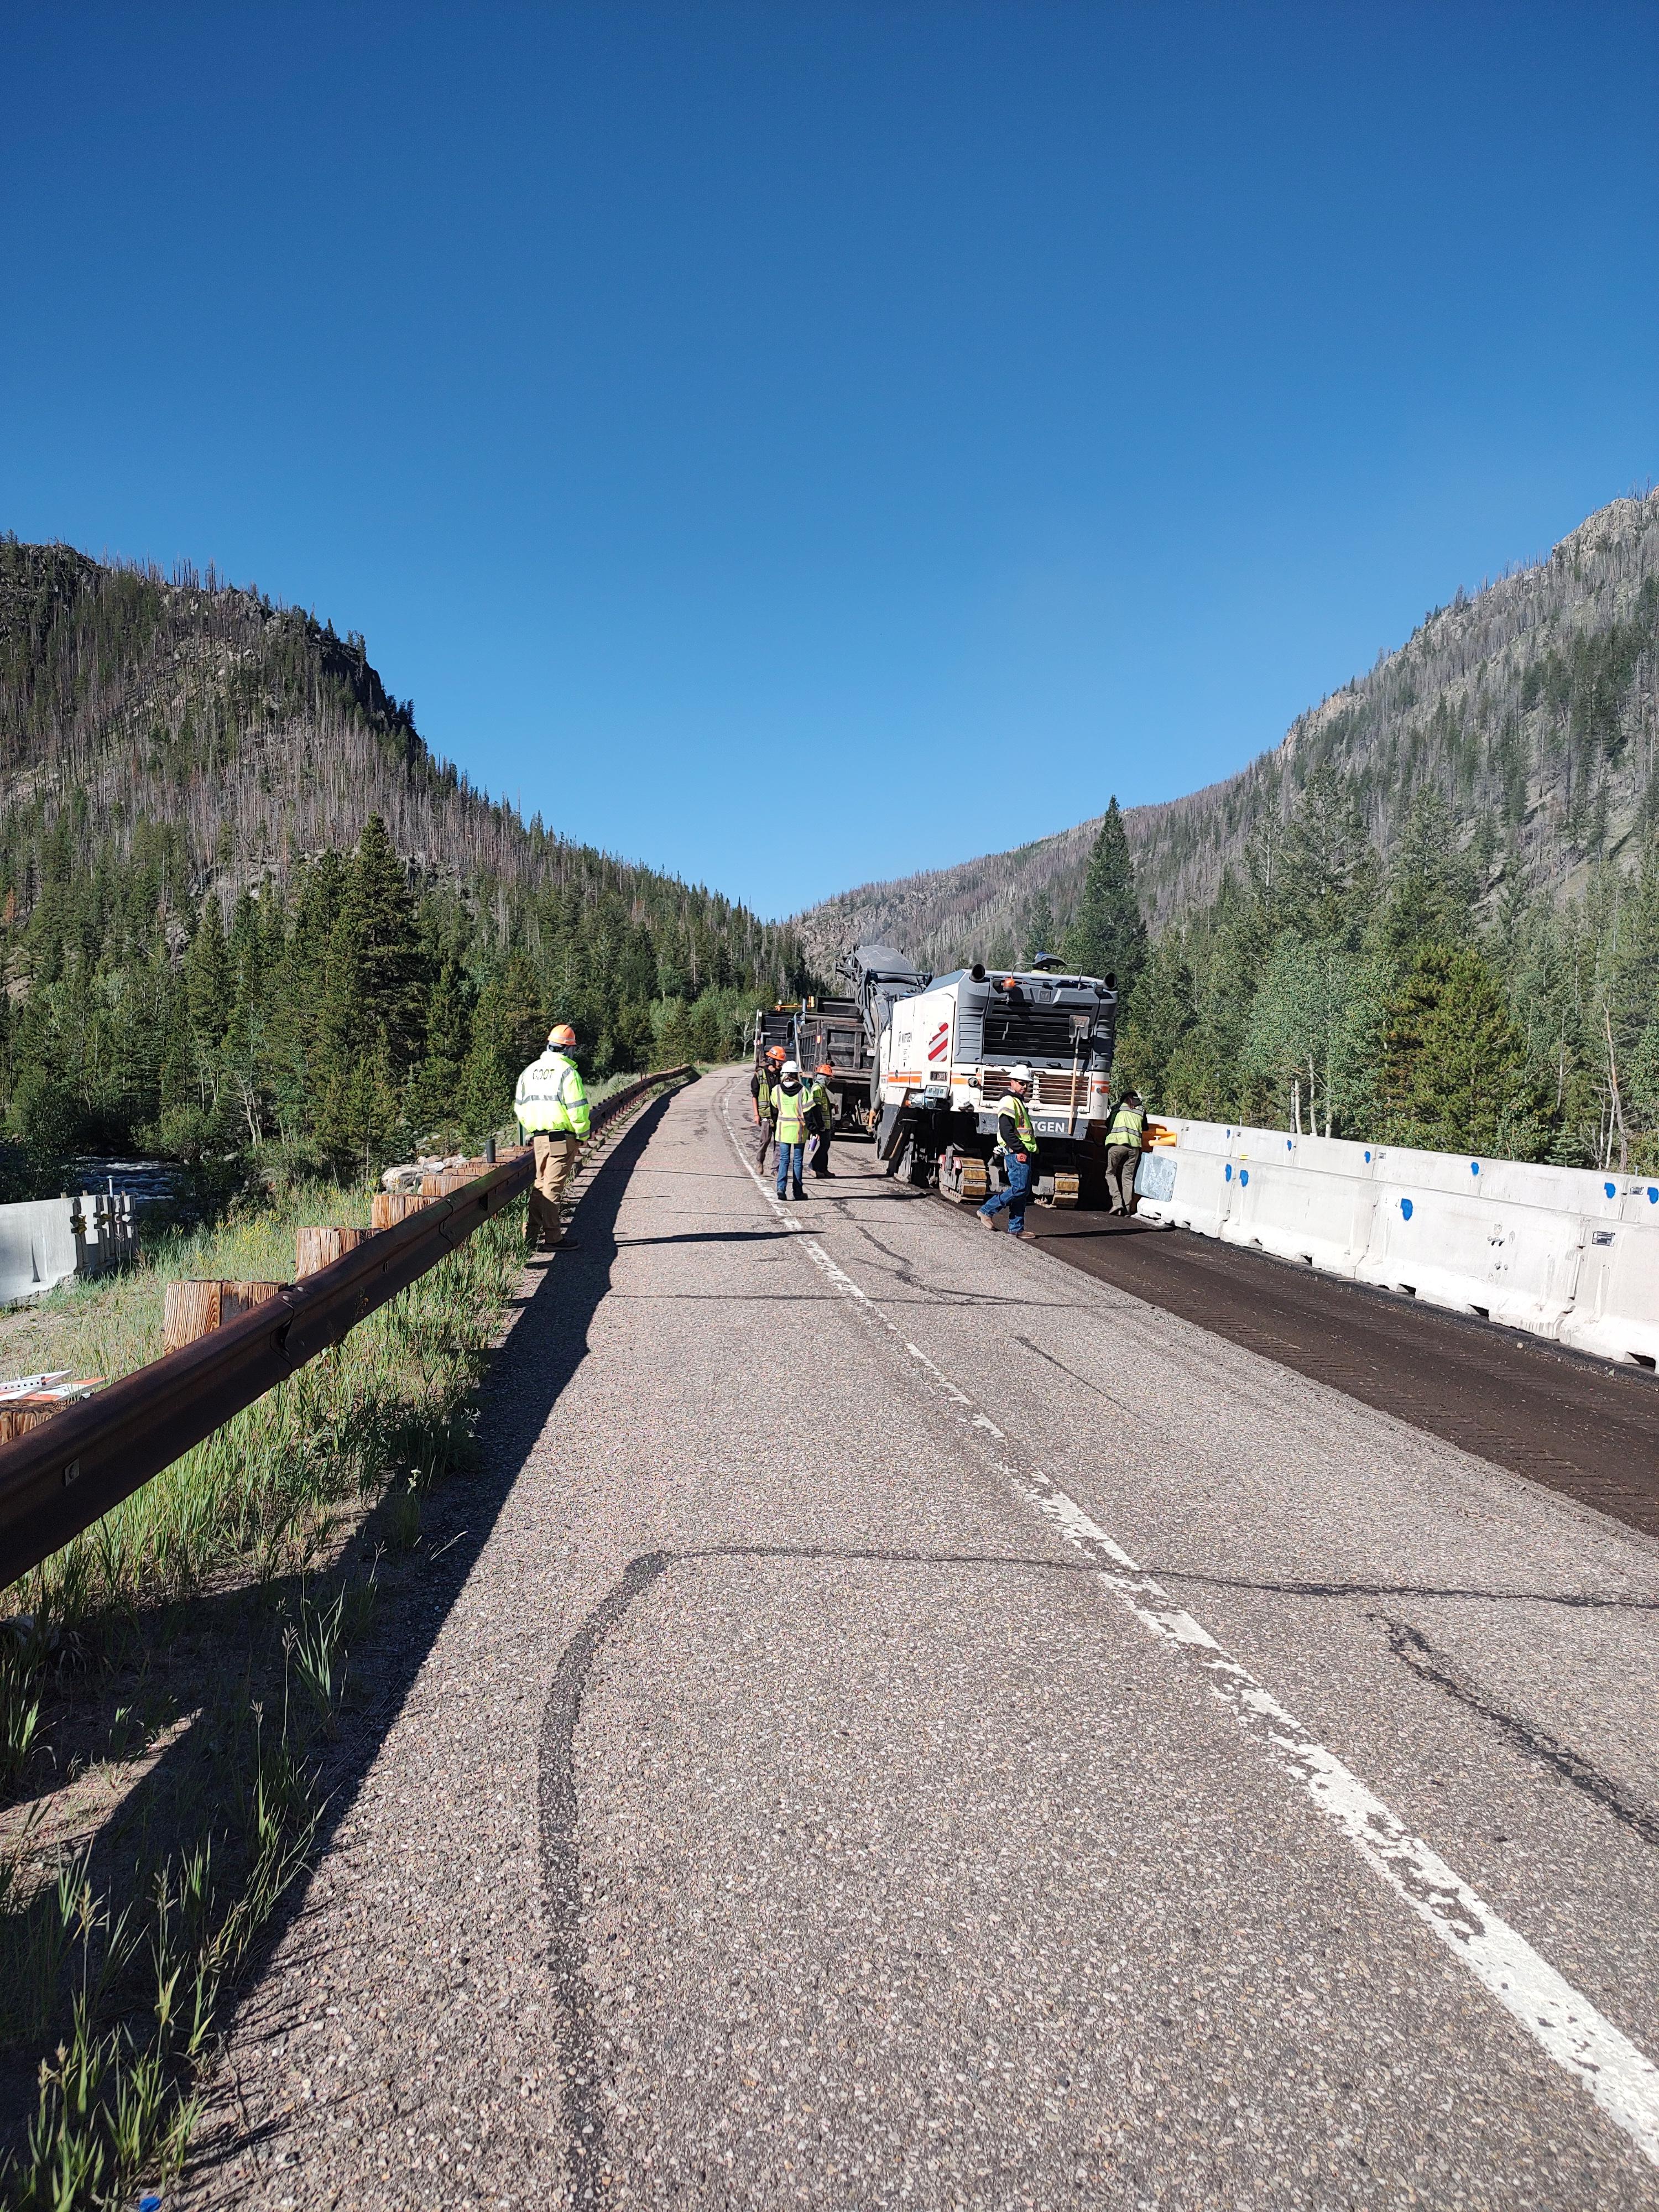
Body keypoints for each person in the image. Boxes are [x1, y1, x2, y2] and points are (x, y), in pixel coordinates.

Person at [514, 1022, 592, 1251]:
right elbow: (578, 1109)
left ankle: (530, 1236)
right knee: (553, 1186)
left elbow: (520, 1107)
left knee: (540, 1184)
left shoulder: (530, 1071)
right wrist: (582, 1135)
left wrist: (533, 1129)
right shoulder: (568, 1073)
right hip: (561, 1137)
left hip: (539, 1136)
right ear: (568, 1049)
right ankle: (553, 1238)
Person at [977, 1064, 1037, 1238]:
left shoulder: (1017, 1100)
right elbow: (1006, 1130)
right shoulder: (1009, 1101)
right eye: (1021, 1083)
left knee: (1023, 1191)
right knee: (1019, 1189)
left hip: (1022, 1150)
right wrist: (1018, 1149)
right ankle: (987, 1210)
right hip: (1017, 1152)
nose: (1025, 1087)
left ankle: (1016, 1228)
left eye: (1027, 1084)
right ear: (1012, 1082)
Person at [1104, 1087, 1147, 1216]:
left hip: (1117, 1145)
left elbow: (1109, 1125)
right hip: (1134, 1148)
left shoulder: (1118, 1108)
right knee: (1128, 1177)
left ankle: (1117, 1203)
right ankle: (1128, 1207)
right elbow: (1145, 1127)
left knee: (1110, 1173)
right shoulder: (1142, 1110)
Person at [771, 1058, 810, 1201]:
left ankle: (781, 1189)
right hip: (799, 1131)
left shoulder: (777, 1090)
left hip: (783, 1131)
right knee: (798, 1161)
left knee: (784, 1159)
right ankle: (798, 1192)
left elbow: (775, 1105)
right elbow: (808, 1111)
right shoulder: (803, 1091)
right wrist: (815, 1129)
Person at [755, 1044, 785, 1166]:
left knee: (779, 1142)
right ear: (772, 1060)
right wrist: (757, 1114)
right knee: (766, 1140)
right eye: (780, 1061)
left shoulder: (782, 1076)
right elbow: (754, 1095)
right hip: (766, 1114)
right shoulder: (760, 1075)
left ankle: (775, 1168)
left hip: (779, 1114)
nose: (782, 1064)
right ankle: (760, 1161)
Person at [807, 1062, 836, 1178]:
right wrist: (819, 1125)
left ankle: (824, 1169)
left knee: (826, 1146)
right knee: (824, 1146)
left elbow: (822, 1105)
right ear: (824, 1077)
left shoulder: (822, 1088)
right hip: (822, 1124)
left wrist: (831, 1106)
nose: (830, 1080)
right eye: (829, 1078)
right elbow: (816, 1108)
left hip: (826, 1123)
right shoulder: (817, 1088)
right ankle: (813, 1167)